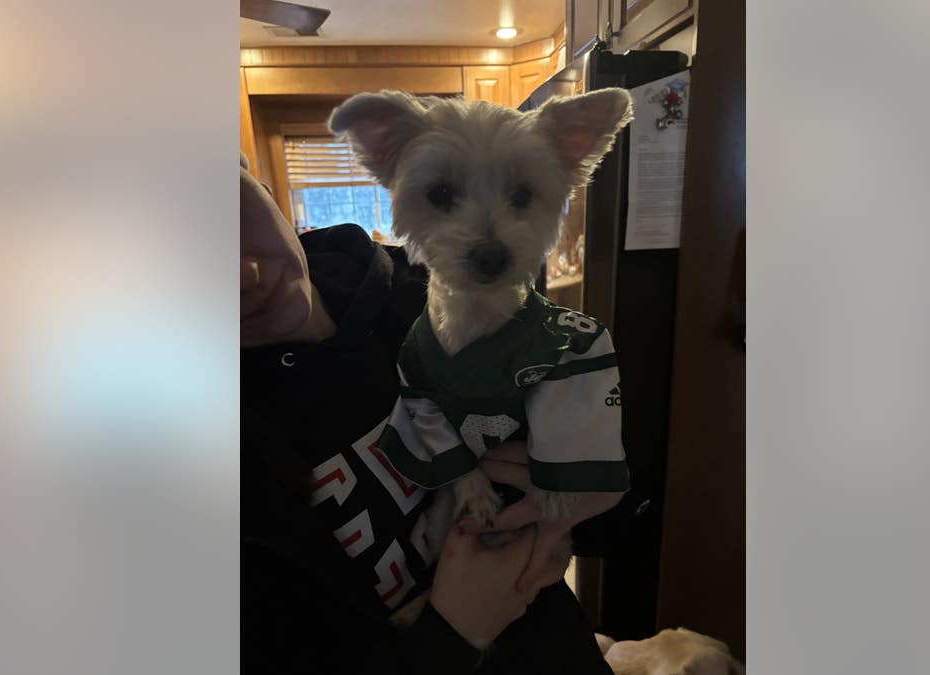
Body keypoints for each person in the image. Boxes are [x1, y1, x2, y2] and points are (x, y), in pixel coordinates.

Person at [240, 157, 644, 673]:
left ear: (251, 175)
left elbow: (615, 511)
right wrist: (454, 634)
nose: (243, 272)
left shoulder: (437, 293)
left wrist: (603, 490)